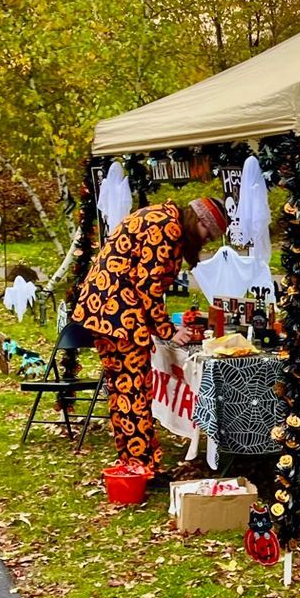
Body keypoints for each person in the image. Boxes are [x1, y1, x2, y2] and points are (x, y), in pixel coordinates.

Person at [72, 197, 229, 476]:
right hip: (120, 315)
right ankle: (143, 467)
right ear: (200, 222)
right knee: (134, 392)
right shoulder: (167, 227)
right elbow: (148, 284)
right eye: (208, 234)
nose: (205, 242)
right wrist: (168, 331)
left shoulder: (160, 216)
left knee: (122, 388)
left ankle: (131, 463)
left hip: (104, 312)